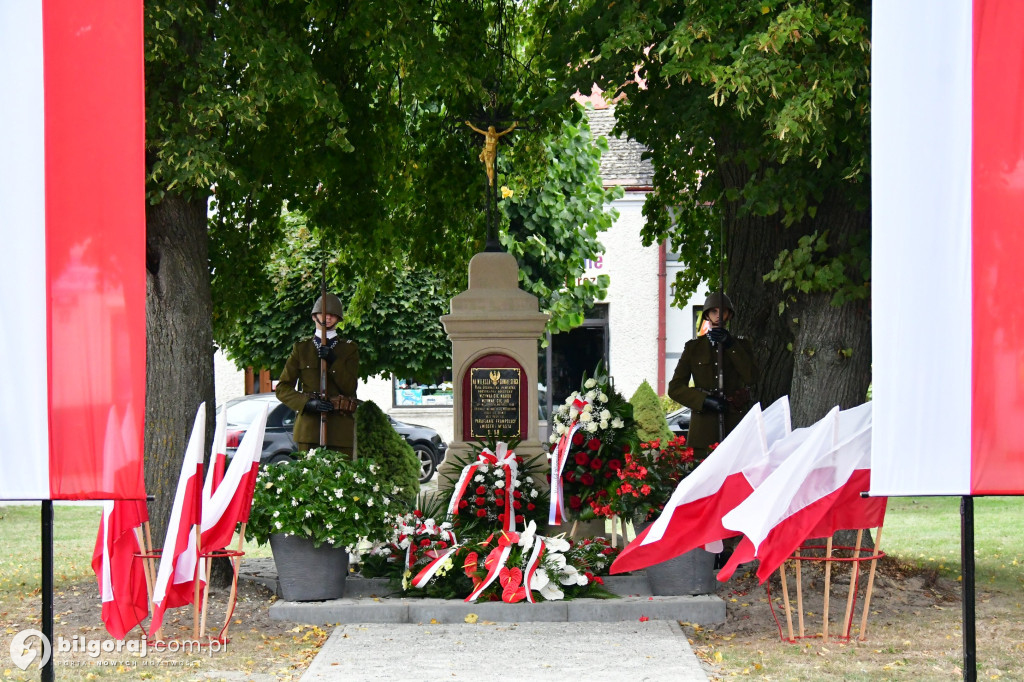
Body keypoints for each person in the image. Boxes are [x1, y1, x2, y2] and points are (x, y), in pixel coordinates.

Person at [667, 292, 758, 461]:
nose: (718, 315)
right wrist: (704, 400)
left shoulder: (742, 346)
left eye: (723, 311)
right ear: (707, 315)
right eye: (714, 311)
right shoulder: (694, 348)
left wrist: (731, 345)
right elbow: (675, 388)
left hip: (735, 423)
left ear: (729, 314)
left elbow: (751, 377)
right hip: (703, 428)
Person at [276, 293, 359, 455]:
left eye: (332, 315)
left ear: (338, 319)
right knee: (309, 478)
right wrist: (306, 403)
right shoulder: (301, 349)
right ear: (314, 316)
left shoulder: (349, 349)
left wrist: (334, 360)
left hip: (340, 431)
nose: (327, 318)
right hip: (309, 430)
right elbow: (282, 388)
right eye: (323, 313)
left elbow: (350, 388)